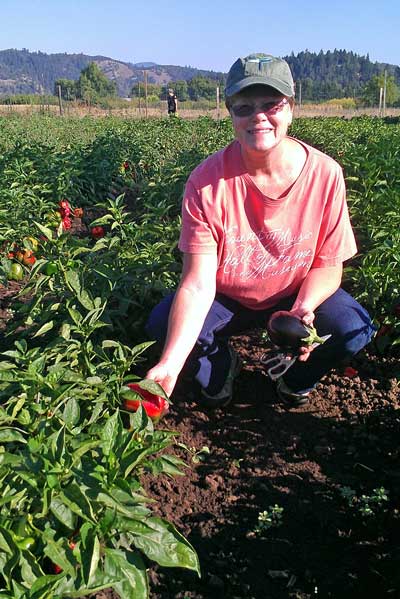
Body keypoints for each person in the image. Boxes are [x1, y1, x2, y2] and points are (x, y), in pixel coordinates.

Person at [145, 52, 375, 409]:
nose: (259, 117)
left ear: (291, 108)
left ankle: (294, 380)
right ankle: (221, 368)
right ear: (230, 113)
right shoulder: (207, 183)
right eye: (244, 107)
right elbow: (197, 283)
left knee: (350, 327)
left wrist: (303, 308)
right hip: (229, 297)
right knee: (164, 325)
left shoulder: (325, 175)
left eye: (272, 104)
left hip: (292, 291)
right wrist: (170, 364)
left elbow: (329, 264)